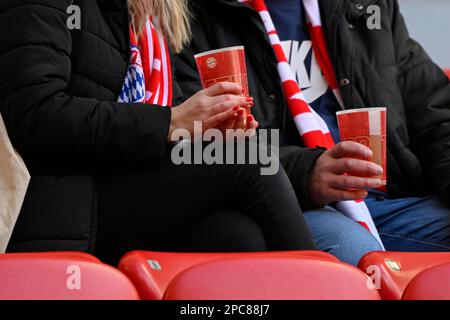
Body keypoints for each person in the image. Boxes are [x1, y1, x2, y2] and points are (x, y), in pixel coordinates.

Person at [0, 0, 317, 265]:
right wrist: (171, 123)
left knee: (235, 235)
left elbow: (173, 128)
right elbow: (35, 115)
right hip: (63, 203)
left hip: (126, 188)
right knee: (252, 161)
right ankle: (321, 288)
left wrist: (207, 133)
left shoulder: (150, 18)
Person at [175, 0, 450, 265]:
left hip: (390, 200)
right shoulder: (189, 13)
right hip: (289, 206)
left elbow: (436, 116)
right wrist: (306, 174)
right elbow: (192, 148)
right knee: (353, 251)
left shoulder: (367, 5)